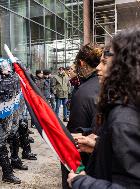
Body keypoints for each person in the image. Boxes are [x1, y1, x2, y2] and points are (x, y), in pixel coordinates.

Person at [68, 28, 140, 189]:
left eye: (105, 62)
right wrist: (100, 145)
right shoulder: (130, 105)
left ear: (126, 65)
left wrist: (81, 182)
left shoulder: (125, 120)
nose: (99, 68)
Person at [61, 44, 102, 189]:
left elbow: (75, 137)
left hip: (87, 166)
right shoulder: (110, 85)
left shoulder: (84, 92)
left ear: (82, 63)